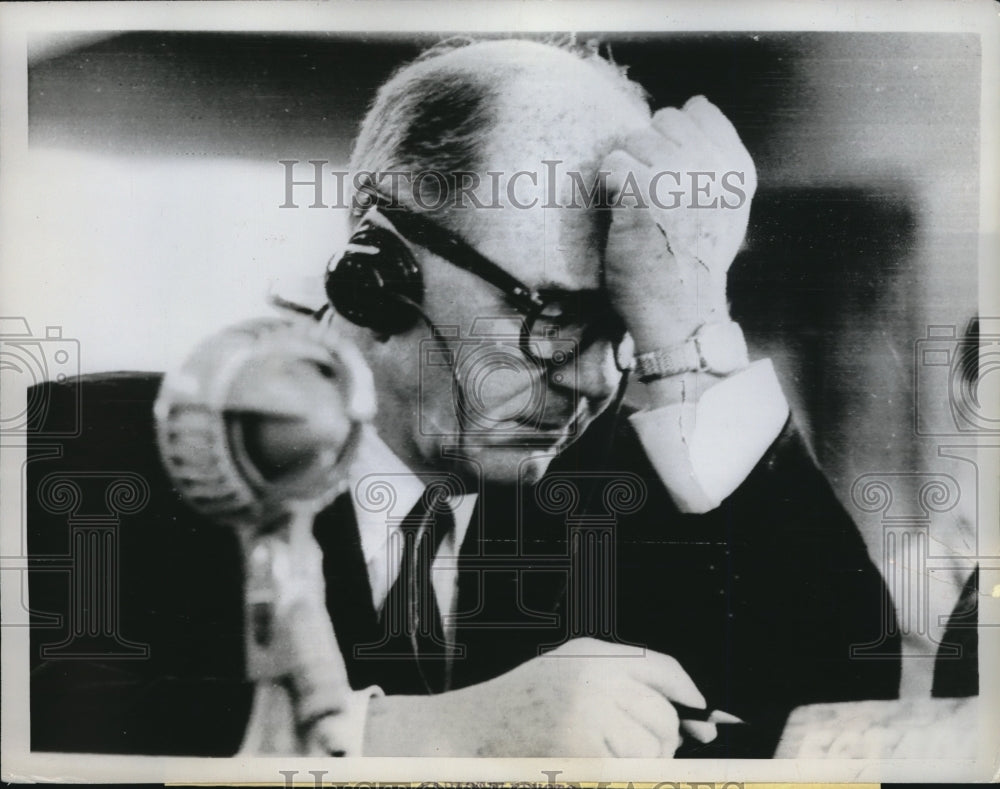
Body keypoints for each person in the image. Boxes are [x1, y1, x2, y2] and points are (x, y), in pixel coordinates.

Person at [28, 37, 910, 759]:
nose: (597, 376)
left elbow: (843, 715)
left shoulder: (636, 496)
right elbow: (45, 722)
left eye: (626, 325)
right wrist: (429, 737)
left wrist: (688, 329)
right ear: (378, 273)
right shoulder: (88, 451)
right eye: (553, 314)